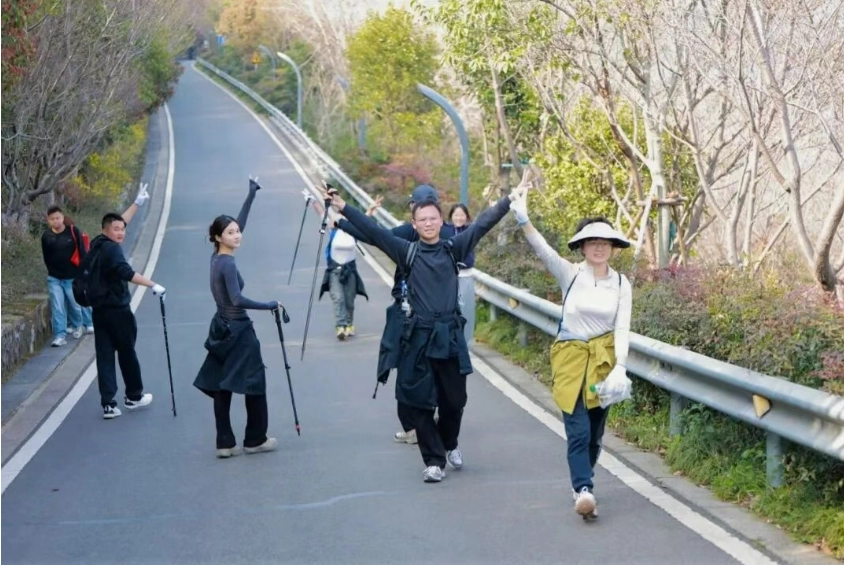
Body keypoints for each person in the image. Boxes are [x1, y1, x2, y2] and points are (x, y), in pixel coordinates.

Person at [324, 185, 516, 483]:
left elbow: (482, 224)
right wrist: (342, 207)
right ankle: (434, 461)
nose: (428, 223)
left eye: (432, 218)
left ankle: (449, 443)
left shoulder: (453, 248)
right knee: (418, 401)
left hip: (449, 335)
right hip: (419, 336)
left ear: (441, 221)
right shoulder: (406, 250)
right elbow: (374, 232)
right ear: (414, 224)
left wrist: (510, 199)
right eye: (422, 219)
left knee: (455, 401)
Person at [510, 187, 632, 519]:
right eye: (592, 242)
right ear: (582, 246)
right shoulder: (571, 274)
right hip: (570, 358)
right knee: (577, 429)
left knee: (594, 432)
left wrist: (620, 366)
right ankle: (583, 488)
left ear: (613, 247)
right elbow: (543, 250)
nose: (599, 248)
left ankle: (583, 478)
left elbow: (622, 327)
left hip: (603, 362)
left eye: (605, 242)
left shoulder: (622, 284)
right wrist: (524, 219)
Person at [337, 185, 456, 446]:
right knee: (442, 371)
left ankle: (413, 427)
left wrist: (341, 223)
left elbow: (375, 236)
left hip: (407, 312)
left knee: (406, 368)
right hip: (445, 317)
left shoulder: (407, 231)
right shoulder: (448, 233)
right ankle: (436, 424)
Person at [194, 180, 280, 459]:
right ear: (219, 237)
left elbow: (237, 223)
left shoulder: (216, 258)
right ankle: (255, 439)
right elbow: (237, 299)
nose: (237, 234)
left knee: (222, 385)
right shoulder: (228, 263)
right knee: (254, 382)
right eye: (231, 232)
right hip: (239, 331)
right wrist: (269, 305)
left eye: (237, 231)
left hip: (221, 328)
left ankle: (225, 442)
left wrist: (251, 195)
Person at [88, 185, 164, 419]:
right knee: (127, 353)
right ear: (106, 230)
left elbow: (118, 222)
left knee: (104, 356)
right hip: (118, 311)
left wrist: (137, 204)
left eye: (123, 229)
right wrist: (153, 284)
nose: (121, 232)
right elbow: (126, 273)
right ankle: (134, 396)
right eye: (117, 229)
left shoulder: (97, 243)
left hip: (99, 311)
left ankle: (108, 404)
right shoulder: (113, 251)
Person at [318, 199, 378, 340]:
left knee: (349, 301)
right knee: (338, 298)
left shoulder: (354, 232)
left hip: (350, 270)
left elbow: (364, 220)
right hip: (334, 270)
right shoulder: (334, 230)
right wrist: (313, 201)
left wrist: (371, 209)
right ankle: (340, 326)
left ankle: (349, 324)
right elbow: (322, 214)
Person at [41, 206, 94, 346]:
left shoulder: (73, 231)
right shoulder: (46, 236)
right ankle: (60, 335)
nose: (55, 221)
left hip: (72, 276)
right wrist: (52, 272)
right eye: (52, 219)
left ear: (63, 218)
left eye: (58, 218)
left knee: (75, 303)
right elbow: (46, 257)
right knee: (57, 306)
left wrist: (84, 271)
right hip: (54, 278)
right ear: (48, 221)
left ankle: (82, 324)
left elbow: (82, 251)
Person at [447, 203, 476, 345]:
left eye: (462, 215)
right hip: (448, 278)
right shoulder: (445, 231)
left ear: (466, 216)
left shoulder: (470, 231)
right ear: (451, 216)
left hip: (465, 276)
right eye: (456, 215)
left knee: (466, 311)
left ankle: (466, 343)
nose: (459, 218)